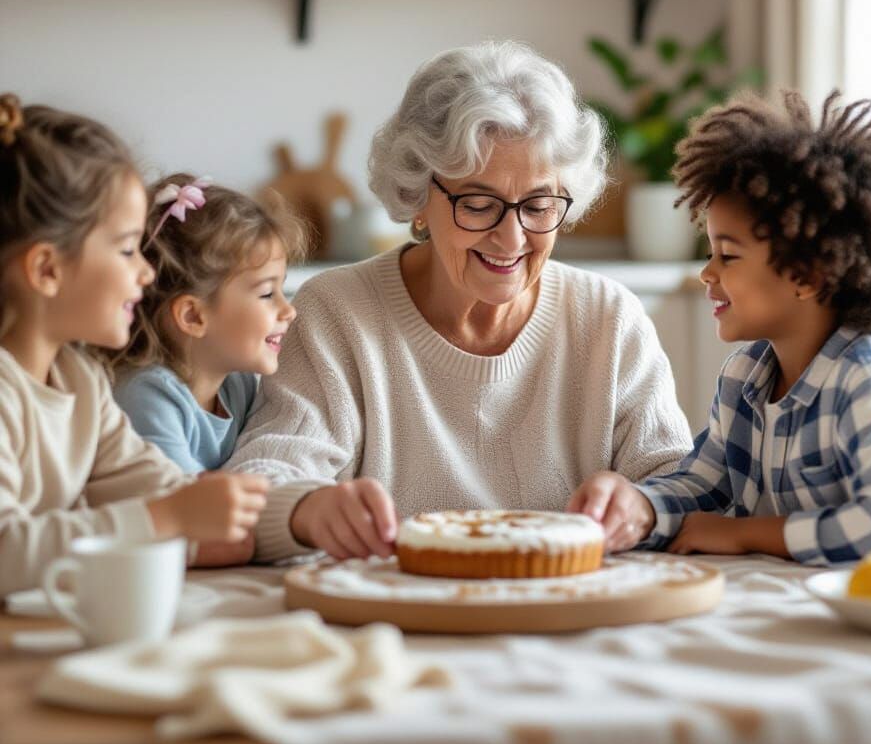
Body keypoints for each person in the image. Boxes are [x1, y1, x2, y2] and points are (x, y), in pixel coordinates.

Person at [228, 41, 694, 561]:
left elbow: (684, 487)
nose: (512, 239)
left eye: (538, 205)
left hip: (567, 616)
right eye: (478, 204)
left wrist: (643, 506)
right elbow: (260, 482)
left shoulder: (608, 317)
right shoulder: (338, 312)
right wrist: (307, 510)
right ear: (418, 198)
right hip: (398, 618)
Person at [568, 89, 871, 565]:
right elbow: (706, 487)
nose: (708, 273)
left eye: (729, 255)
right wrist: (638, 507)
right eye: (709, 253)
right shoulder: (744, 377)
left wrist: (746, 535)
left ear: (807, 274)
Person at [0, 95, 275, 595]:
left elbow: (159, 487)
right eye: (127, 249)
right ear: (47, 270)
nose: (146, 273)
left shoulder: (81, 380)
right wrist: (167, 518)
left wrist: (292, 514)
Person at [112, 175, 304, 474]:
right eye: (267, 293)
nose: (288, 310)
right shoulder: (146, 397)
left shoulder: (237, 385)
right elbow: (186, 503)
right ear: (193, 316)